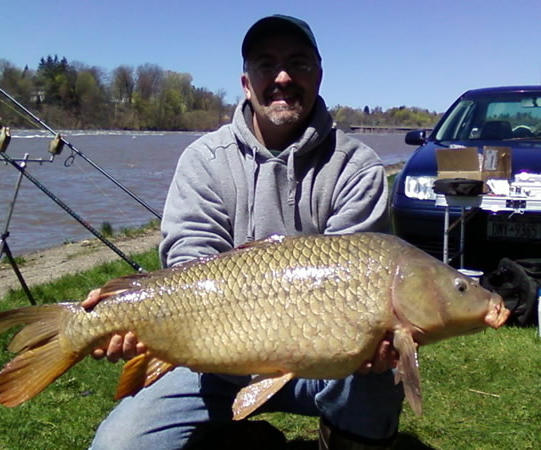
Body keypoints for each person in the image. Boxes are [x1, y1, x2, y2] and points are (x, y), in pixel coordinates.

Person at [85, 14, 404, 449]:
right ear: (246, 81)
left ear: (319, 75)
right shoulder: (204, 159)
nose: (283, 76)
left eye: (299, 63)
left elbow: (361, 283)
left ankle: (344, 435)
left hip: (328, 361)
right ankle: (243, 435)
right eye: (266, 64)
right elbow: (186, 262)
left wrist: (375, 342)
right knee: (119, 444)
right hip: (212, 360)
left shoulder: (357, 166)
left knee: (380, 376)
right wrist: (138, 322)